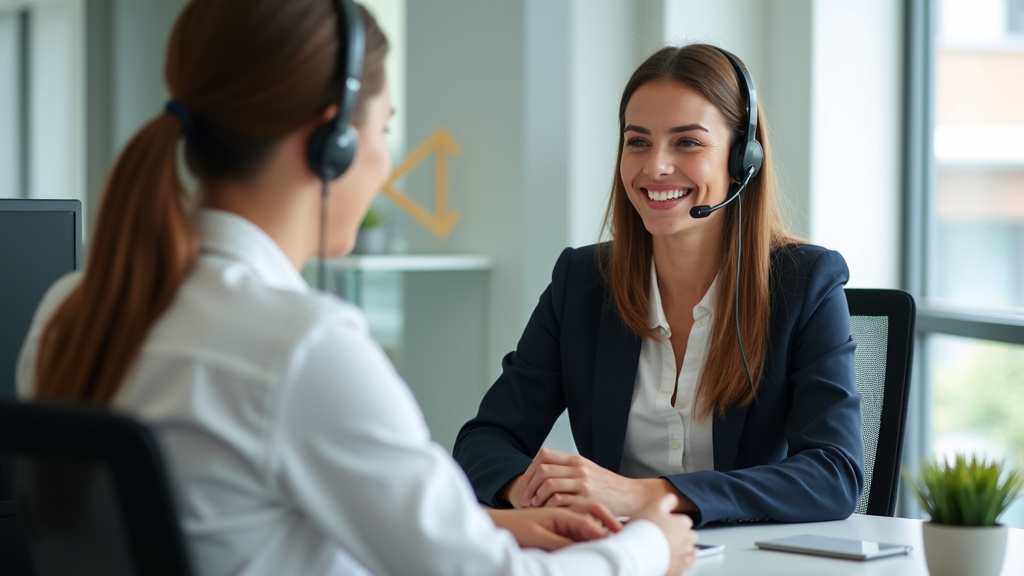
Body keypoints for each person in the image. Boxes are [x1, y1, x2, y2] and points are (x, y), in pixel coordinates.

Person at [15, 2, 698, 575]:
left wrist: (496, 526)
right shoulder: (301, 348)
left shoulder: (68, 311)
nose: (384, 165)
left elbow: (246, 519)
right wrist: (647, 546)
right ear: (331, 143)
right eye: (385, 129)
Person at [453, 44, 864, 528]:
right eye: (638, 142)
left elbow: (834, 473)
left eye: (687, 142)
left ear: (742, 159)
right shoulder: (581, 282)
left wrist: (642, 495)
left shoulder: (804, 283)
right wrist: (532, 490)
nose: (655, 167)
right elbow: (484, 441)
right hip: (618, 553)